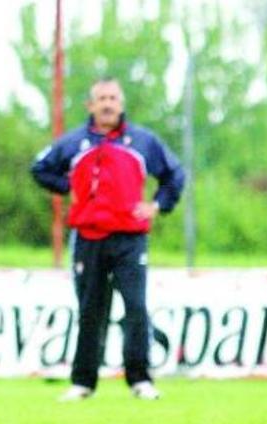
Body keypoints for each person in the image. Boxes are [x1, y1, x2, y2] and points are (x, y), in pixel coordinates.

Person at [31, 78, 186, 402]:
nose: (107, 104)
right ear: (90, 105)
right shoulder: (74, 143)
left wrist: (157, 205)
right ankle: (83, 382)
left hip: (130, 239)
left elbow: (175, 174)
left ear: (121, 103)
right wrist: (69, 186)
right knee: (90, 310)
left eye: (113, 98)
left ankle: (140, 379)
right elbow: (40, 168)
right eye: (101, 98)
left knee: (135, 307)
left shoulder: (142, 141)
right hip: (88, 237)